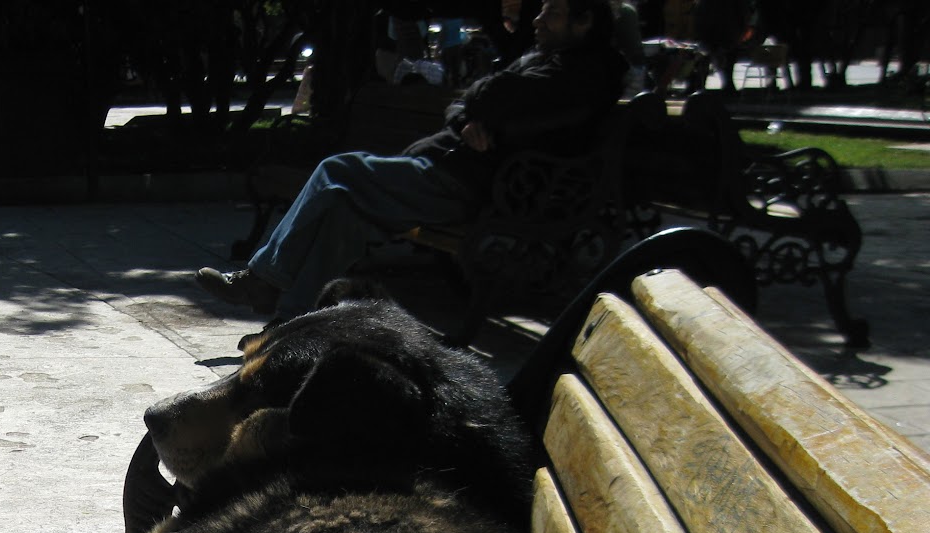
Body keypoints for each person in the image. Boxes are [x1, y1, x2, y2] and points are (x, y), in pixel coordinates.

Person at [196, 0, 629, 320]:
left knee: (336, 170)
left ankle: (261, 278)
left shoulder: (581, 74)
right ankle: (288, 320)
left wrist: (481, 99)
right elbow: (467, 103)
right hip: (451, 172)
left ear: (584, 21)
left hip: (469, 186)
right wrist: (467, 120)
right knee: (346, 215)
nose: (536, 20)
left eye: (551, 13)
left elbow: (491, 93)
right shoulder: (549, 63)